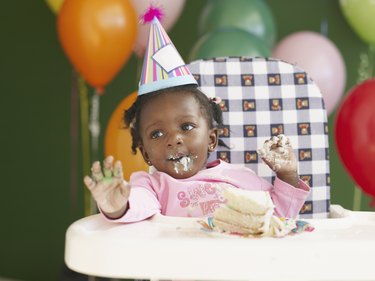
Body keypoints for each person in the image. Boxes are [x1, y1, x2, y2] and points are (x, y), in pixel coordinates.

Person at [83, 14, 310, 223]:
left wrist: (286, 174)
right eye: (157, 134)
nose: (173, 139)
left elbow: (280, 216)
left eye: (187, 126)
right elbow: (138, 205)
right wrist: (117, 206)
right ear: (146, 154)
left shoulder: (240, 178)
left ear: (211, 139)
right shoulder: (152, 186)